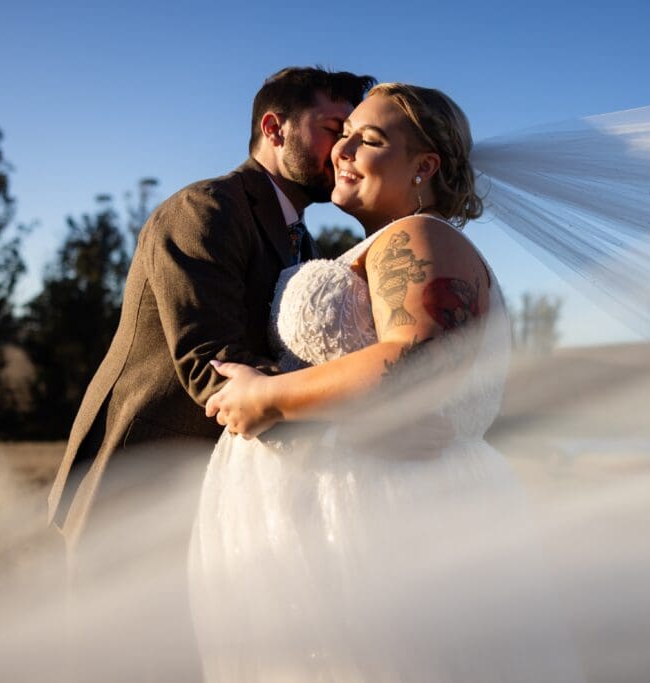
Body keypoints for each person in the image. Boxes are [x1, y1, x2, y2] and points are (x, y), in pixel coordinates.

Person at [189, 83, 584, 681]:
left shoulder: (419, 236)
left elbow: (417, 359)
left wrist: (265, 398)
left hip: (387, 510)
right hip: (346, 500)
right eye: (342, 135)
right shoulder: (383, 243)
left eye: (367, 140)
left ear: (424, 166)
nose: (341, 151)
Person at [46, 67, 375, 553]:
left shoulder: (304, 241)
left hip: (222, 492)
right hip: (141, 482)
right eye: (332, 130)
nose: (345, 151)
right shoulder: (208, 208)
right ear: (273, 129)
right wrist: (350, 432)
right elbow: (212, 360)